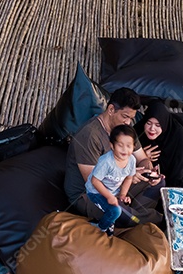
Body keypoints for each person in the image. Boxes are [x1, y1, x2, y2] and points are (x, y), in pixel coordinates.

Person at [64, 87, 162, 224]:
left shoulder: (125, 130)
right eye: (125, 116)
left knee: (159, 184)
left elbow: (143, 159)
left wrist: (149, 172)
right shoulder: (90, 136)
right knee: (118, 212)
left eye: (131, 118)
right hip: (89, 195)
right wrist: (128, 177)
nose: (128, 122)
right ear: (111, 110)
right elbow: (94, 183)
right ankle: (155, 219)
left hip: (117, 185)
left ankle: (134, 216)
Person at [85, 125, 140, 235]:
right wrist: (109, 197)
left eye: (128, 146)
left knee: (121, 209)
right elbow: (95, 181)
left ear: (134, 146)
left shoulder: (132, 160)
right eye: (120, 145)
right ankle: (101, 228)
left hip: (113, 191)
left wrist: (122, 195)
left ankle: (110, 222)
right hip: (95, 191)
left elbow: (129, 178)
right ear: (112, 145)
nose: (124, 150)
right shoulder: (106, 161)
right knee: (115, 211)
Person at [135, 100, 183, 187]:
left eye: (158, 125)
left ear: (164, 124)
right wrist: (142, 157)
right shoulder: (138, 131)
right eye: (148, 123)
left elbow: (178, 171)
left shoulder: (178, 136)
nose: (152, 129)